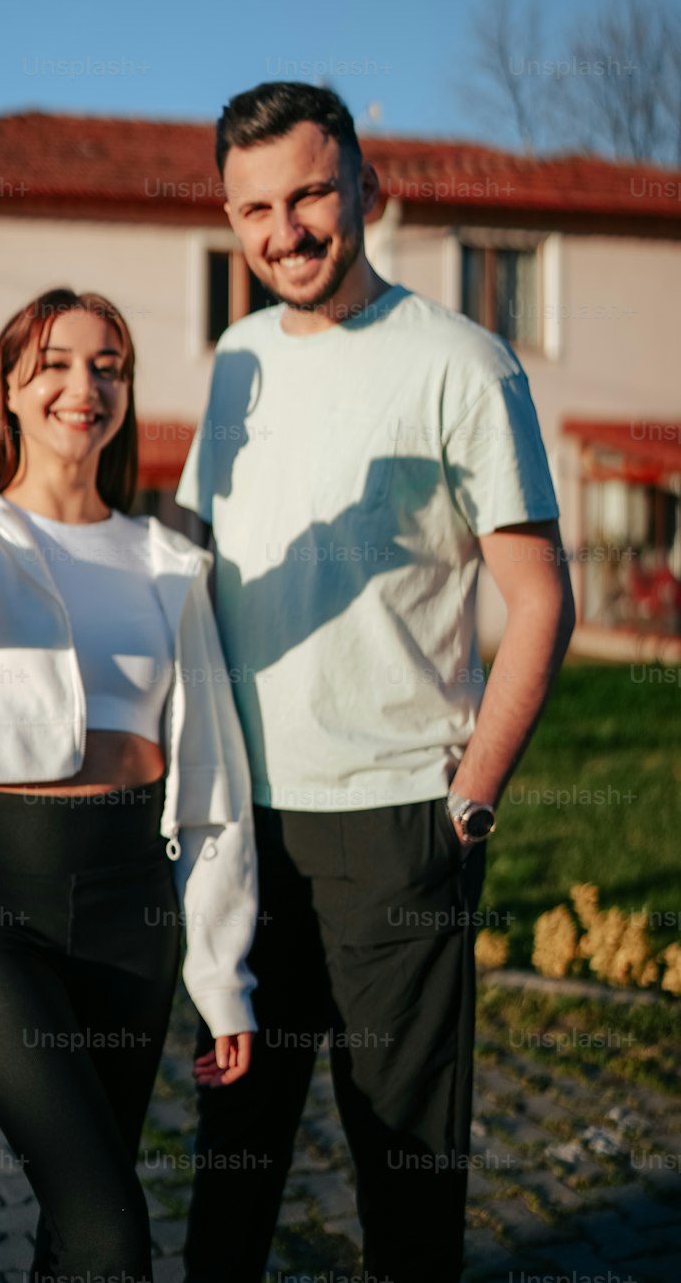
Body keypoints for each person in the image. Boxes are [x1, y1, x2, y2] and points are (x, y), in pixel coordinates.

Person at [175, 82, 576, 1283]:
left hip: (399, 823)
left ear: (364, 187)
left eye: (307, 195)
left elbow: (542, 598)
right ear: (228, 216)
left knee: (402, 1175)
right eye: (254, 208)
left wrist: (471, 802)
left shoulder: (462, 363)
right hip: (242, 830)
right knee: (231, 1162)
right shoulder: (235, 362)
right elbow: (197, 569)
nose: (283, 232)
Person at [0, 285, 258, 1283]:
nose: (87, 385)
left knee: (77, 1229)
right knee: (112, 1225)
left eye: (108, 365)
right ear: (13, 393)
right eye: (57, 364)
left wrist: (225, 980)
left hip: (132, 905)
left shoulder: (171, 563)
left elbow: (210, 786)